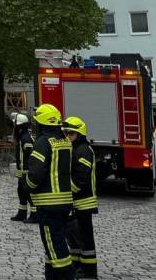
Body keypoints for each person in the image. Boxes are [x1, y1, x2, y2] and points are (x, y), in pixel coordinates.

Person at [25, 103, 74, 279]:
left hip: (48, 204)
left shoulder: (42, 142)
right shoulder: (65, 141)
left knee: (56, 248)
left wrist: (27, 186)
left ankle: (65, 276)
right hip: (65, 203)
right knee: (54, 245)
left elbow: (36, 173)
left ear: (41, 123)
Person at [63, 116, 98, 278]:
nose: (68, 136)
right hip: (76, 202)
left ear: (79, 134)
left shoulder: (83, 150)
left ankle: (89, 270)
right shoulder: (75, 149)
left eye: (71, 134)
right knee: (74, 237)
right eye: (66, 133)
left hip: (83, 202)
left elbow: (80, 178)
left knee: (85, 238)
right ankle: (77, 266)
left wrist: (68, 193)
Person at [11, 113, 37, 223]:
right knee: (21, 192)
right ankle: (22, 213)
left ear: (19, 127)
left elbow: (30, 155)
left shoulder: (25, 138)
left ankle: (35, 215)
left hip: (26, 171)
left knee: (29, 194)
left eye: (15, 125)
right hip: (22, 171)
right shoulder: (22, 137)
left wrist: (29, 170)